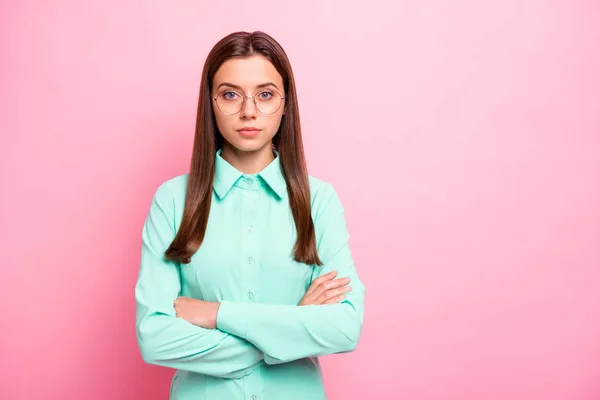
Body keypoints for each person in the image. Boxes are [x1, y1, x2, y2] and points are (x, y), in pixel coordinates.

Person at [134, 30, 366, 400]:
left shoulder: (318, 200)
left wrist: (215, 314)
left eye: (265, 95)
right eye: (230, 94)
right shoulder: (173, 200)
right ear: (210, 103)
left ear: (285, 103)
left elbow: (344, 328)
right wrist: (291, 326)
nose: (248, 111)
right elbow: (155, 337)